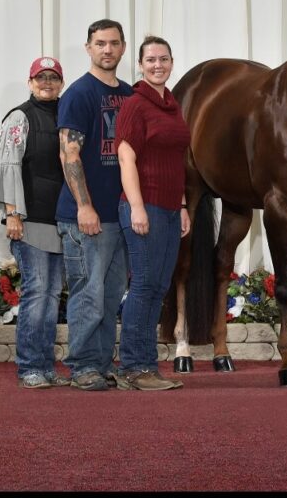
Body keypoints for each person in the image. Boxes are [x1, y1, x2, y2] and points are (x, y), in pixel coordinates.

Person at [56, 19, 134, 391]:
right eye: (100, 43)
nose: (107, 50)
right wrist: (84, 206)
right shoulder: (80, 93)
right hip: (85, 216)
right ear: (88, 47)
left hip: (119, 215)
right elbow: (68, 153)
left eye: (114, 43)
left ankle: (102, 363)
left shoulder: (131, 95)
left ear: (122, 48)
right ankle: (83, 365)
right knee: (89, 293)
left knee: (110, 295)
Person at [114, 36, 191, 391]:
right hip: (144, 206)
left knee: (158, 286)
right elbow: (126, 157)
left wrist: (183, 206)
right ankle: (134, 367)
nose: (157, 65)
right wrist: (137, 206)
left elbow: (178, 160)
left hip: (170, 209)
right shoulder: (135, 104)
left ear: (172, 62)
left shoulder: (172, 105)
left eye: (163, 59)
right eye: (150, 60)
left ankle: (147, 366)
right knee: (144, 285)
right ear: (141, 65)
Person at [0, 57, 69, 388]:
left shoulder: (67, 113)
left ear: (61, 83)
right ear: (30, 82)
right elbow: (8, 165)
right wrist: (12, 214)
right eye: (41, 77)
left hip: (59, 221)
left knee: (51, 296)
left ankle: (45, 366)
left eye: (53, 77)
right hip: (29, 221)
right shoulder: (19, 117)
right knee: (38, 293)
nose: (47, 82)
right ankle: (29, 367)